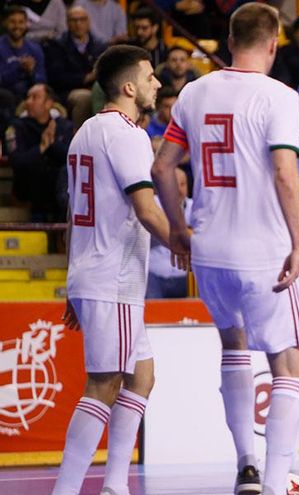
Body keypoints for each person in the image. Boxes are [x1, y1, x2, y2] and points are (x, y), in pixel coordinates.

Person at [151, 5, 299, 495]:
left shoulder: (195, 91)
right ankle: (276, 480)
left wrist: (177, 227)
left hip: (209, 247)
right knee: (290, 364)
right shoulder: (279, 95)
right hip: (263, 249)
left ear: (229, 40)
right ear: (274, 42)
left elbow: (162, 168)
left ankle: (246, 466)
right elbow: (285, 172)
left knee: (234, 345)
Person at [51, 44, 175, 495]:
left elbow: (73, 216)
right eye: (149, 76)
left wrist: (73, 282)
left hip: (94, 272)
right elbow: (146, 208)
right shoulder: (128, 134)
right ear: (128, 87)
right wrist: (185, 244)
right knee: (103, 383)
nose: (156, 83)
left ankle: (116, 485)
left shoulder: (85, 131)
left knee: (142, 376)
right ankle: (66, 489)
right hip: (114, 277)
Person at [5, 83, 73, 222]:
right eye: (28, 97)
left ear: (49, 103)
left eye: (34, 97)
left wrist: (52, 144)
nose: (28, 102)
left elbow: (70, 158)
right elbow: (17, 162)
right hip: (29, 194)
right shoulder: (16, 127)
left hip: (57, 197)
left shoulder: (64, 126)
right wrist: (41, 147)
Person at [44, 6, 106, 129]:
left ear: (88, 22)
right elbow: (56, 78)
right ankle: (79, 137)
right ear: (67, 23)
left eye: (82, 20)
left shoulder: (99, 45)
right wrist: (85, 78)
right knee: (84, 98)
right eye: (74, 20)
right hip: (67, 91)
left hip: (95, 88)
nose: (78, 24)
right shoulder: (57, 45)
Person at [147, 167, 191, 299]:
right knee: (154, 311)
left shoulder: (195, 207)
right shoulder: (152, 205)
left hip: (185, 275)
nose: (180, 189)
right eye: (175, 184)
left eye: (183, 184)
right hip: (154, 272)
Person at [0, 6, 48, 101]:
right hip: (6, 95)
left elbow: (42, 80)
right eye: (12, 22)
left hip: (30, 94)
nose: (17, 26)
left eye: (21, 22)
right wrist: (19, 68)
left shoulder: (35, 48)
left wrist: (31, 72)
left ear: (26, 24)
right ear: (4, 23)